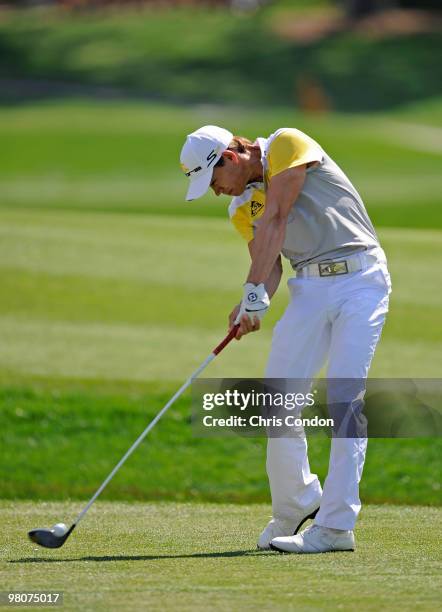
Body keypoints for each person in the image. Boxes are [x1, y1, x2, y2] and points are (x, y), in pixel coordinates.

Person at [180, 124, 391, 553]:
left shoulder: (288, 144)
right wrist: (250, 303)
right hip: (309, 289)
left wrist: (253, 294)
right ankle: (297, 501)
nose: (217, 192)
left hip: (361, 280)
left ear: (231, 158)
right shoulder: (240, 207)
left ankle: (335, 527)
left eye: (214, 180)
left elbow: (278, 215)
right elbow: (269, 264)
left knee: (344, 399)